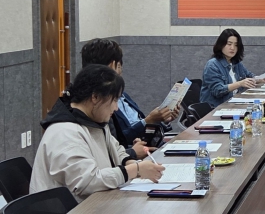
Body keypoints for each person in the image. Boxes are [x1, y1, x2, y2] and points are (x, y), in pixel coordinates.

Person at [30, 65, 165, 202]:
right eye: (114, 100)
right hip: (68, 212)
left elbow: (116, 150)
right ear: (95, 97)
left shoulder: (95, 122)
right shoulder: (64, 132)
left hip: (94, 203)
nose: (116, 108)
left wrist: (130, 162)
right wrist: (135, 170)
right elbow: (87, 182)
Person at [81, 39, 179, 149]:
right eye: (118, 66)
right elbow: (119, 140)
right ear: (112, 66)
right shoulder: (101, 104)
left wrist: (162, 119)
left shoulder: (124, 96)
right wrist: (148, 121)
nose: (116, 107)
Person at [201, 28, 265, 108]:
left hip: (234, 104)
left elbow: (249, 76)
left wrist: (260, 79)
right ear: (221, 45)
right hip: (216, 108)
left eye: (236, 45)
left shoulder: (236, 63)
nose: (232, 48)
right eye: (229, 44)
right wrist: (239, 83)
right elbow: (217, 90)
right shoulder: (212, 65)